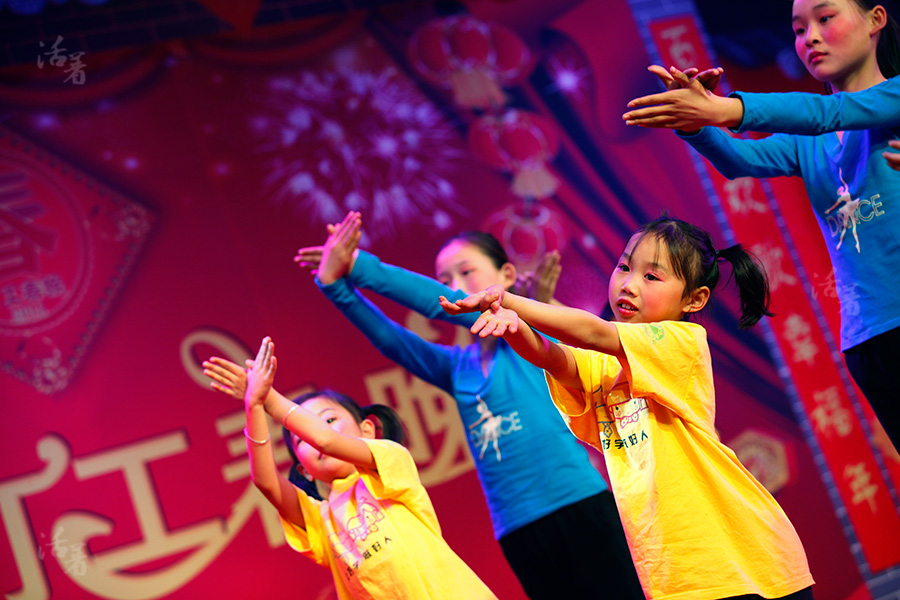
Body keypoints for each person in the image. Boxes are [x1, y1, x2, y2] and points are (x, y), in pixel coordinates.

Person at [440, 215, 815, 600]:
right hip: (679, 577)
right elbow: (554, 359)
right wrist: (515, 328)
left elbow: (594, 331)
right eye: (624, 267)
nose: (629, 284)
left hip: (745, 559)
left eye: (651, 276)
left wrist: (508, 301)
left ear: (694, 299)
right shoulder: (603, 361)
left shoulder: (681, 341)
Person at [295, 211, 645, 599]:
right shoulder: (456, 369)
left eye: (466, 272)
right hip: (517, 528)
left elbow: (437, 303)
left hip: (580, 503)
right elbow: (390, 340)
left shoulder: (527, 335)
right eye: (445, 280)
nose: (455, 288)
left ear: (507, 276)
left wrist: (358, 265)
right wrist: (335, 286)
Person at [621, 0, 900, 450]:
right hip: (866, 338)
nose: (809, 37)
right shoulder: (809, 142)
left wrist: (723, 107)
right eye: (798, 29)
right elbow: (740, 159)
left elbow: (829, 112)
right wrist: (694, 122)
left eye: (825, 18)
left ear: (876, 20)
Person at [210, 336, 497, 600]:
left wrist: (270, 400)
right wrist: (254, 406)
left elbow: (326, 440)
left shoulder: (389, 462)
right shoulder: (321, 521)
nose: (315, 436)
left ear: (367, 430)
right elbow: (266, 482)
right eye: (301, 439)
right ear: (304, 470)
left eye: (329, 419)